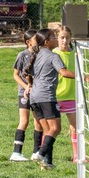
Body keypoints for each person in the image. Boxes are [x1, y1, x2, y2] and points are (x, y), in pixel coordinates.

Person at [23, 28, 75, 170]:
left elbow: (26, 73)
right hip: (47, 96)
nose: (56, 39)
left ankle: (47, 162)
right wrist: (83, 77)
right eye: (54, 37)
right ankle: (39, 153)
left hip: (34, 98)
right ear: (47, 42)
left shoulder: (36, 55)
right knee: (55, 128)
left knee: (47, 130)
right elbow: (63, 72)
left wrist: (31, 84)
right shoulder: (53, 56)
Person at [9, 29, 44, 162]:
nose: (39, 42)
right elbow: (15, 75)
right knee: (24, 121)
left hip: (37, 94)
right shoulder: (22, 55)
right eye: (36, 39)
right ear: (28, 42)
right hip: (24, 94)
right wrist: (26, 87)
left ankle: (36, 152)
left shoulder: (41, 55)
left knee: (39, 123)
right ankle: (16, 153)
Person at [53, 25, 79, 162]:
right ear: (56, 38)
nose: (64, 40)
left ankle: (76, 155)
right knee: (53, 128)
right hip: (55, 96)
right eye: (62, 37)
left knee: (75, 126)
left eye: (67, 37)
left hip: (71, 96)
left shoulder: (75, 53)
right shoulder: (53, 54)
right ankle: (44, 153)